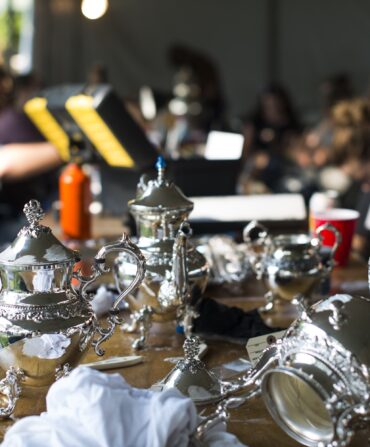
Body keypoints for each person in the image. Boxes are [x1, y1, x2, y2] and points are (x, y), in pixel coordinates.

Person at [240, 83, 301, 193]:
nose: (273, 109)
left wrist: (278, 145)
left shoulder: (291, 124)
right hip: (255, 169)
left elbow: (295, 154)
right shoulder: (255, 123)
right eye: (268, 106)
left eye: (276, 105)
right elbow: (245, 150)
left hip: (283, 167)